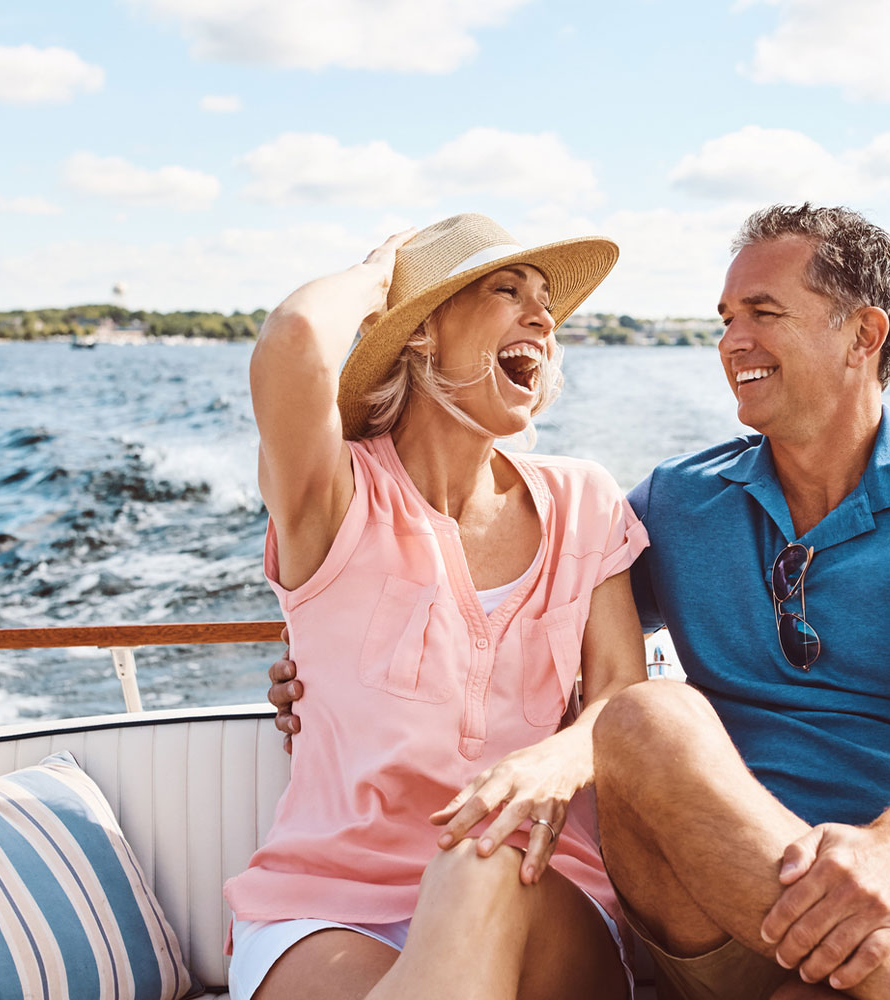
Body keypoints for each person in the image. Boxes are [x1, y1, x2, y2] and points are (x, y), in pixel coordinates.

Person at [269, 203, 890, 1000]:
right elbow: (518, 620)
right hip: (715, 893)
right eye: (725, 319)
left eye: (764, 313)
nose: (732, 341)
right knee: (649, 717)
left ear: (863, 334)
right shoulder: (678, 503)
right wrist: (328, 659)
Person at [228, 212, 648, 1000]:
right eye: (505, 289)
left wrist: (560, 756)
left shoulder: (584, 500)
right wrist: (377, 278)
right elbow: (291, 341)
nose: (543, 316)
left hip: (536, 889)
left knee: (480, 855)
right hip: (328, 907)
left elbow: (625, 691)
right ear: (421, 335)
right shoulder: (336, 498)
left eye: (546, 300)